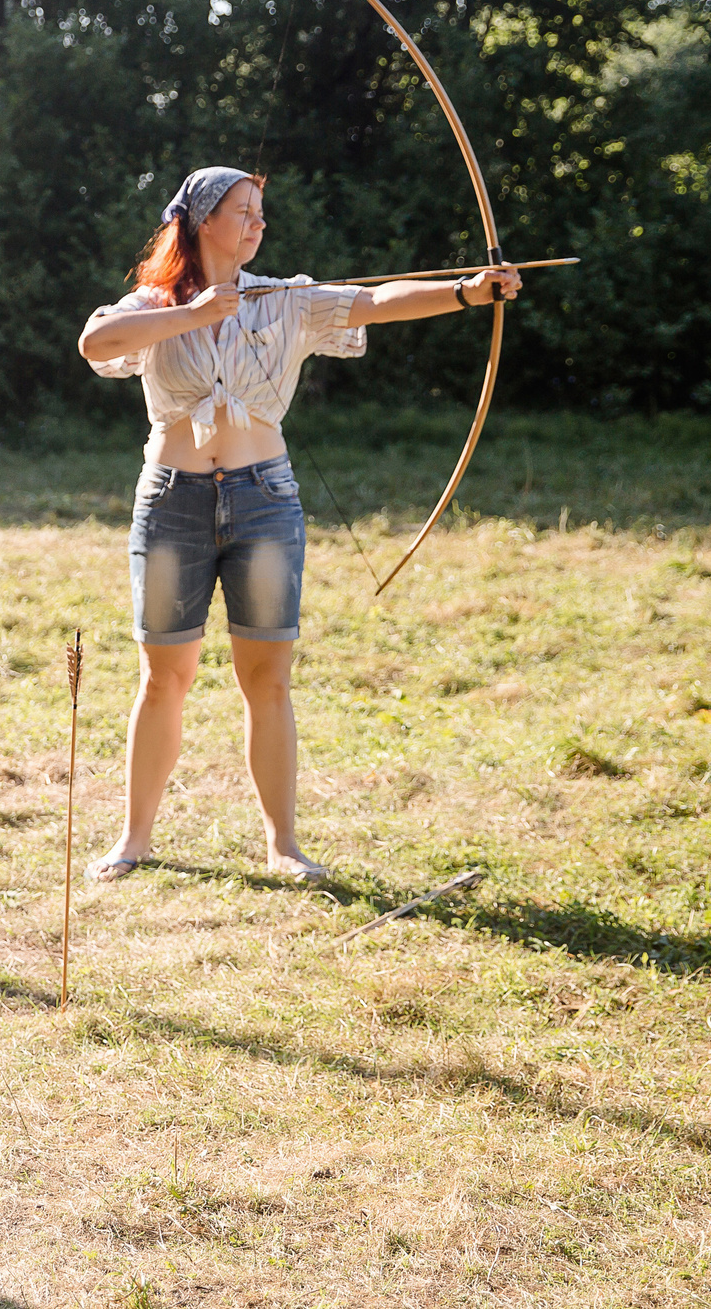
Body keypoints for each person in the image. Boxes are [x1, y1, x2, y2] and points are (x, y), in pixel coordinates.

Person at [75, 166, 520, 882]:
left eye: (261, 212)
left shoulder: (287, 300)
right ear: (200, 221)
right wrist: (195, 313)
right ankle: (134, 840)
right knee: (164, 678)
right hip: (171, 502)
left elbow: (375, 300)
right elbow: (96, 341)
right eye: (243, 211)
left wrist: (468, 291)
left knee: (269, 679)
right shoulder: (155, 302)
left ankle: (283, 844)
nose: (258, 223)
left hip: (264, 500)